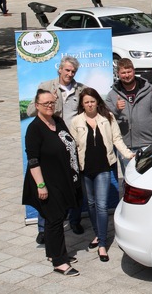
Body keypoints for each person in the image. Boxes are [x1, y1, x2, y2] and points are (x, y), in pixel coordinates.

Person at [26, 55, 88, 239]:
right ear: (59, 69)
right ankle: (44, 229)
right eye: (67, 70)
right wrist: (49, 101)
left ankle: (75, 221)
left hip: (73, 146)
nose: (69, 74)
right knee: (51, 189)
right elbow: (30, 111)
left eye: (73, 71)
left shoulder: (81, 89)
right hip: (52, 146)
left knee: (76, 186)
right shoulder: (45, 86)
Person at [22, 90, 82, 277]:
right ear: (37, 105)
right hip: (46, 182)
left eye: (52, 102)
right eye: (45, 103)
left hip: (63, 179)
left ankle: (53, 252)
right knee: (55, 220)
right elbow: (33, 160)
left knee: (55, 218)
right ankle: (59, 261)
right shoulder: (34, 129)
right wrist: (41, 186)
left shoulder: (57, 121)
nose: (49, 105)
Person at [71, 88, 133, 263]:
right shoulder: (76, 121)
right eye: (86, 102)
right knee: (90, 204)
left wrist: (128, 154)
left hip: (104, 168)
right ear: (82, 104)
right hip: (85, 169)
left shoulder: (107, 118)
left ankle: (102, 244)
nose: (90, 105)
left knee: (102, 205)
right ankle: (97, 234)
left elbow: (117, 139)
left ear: (97, 101)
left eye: (92, 101)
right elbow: (73, 146)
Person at [105, 58, 152, 170]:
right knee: (128, 180)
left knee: (146, 178)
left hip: (147, 144)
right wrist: (116, 109)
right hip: (125, 147)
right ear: (118, 74)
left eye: (129, 71)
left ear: (134, 71)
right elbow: (106, 119)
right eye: (123, 73)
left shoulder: (149, 90)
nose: (127, 75)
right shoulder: (112, 95)